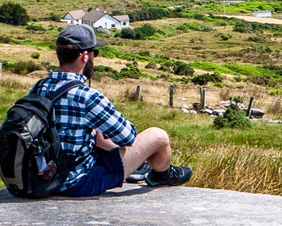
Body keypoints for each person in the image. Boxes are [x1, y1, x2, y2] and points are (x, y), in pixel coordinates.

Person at [44, 23, 191, 195]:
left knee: (94, 131)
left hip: (45, 177)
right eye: (94, 53)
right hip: (76, 182)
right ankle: (162, 175)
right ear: (84, 56)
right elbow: (127, 138)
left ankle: (142, 168)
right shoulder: (87, 96)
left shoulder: (40, 88)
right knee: (158, 136)